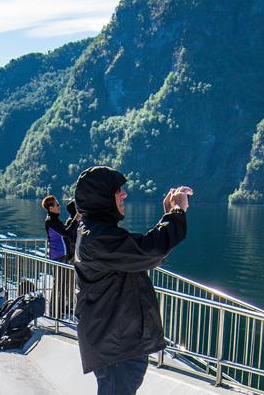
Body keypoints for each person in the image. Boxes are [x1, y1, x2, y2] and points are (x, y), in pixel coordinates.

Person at [71, 167, 190, 395]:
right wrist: (176, 212)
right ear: (102, 197)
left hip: (118, 344)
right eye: (118, 191)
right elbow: (149, 250)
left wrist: (169, 216)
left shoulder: (96, 234)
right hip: (116, 347)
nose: (124, 195)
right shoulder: (97, 238)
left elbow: (143, 255)